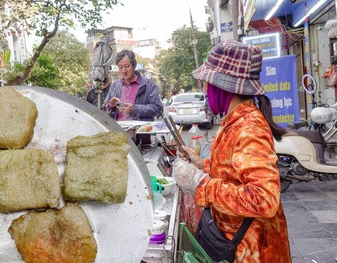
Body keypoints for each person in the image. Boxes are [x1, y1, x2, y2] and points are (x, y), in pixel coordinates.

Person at [173, 40, 291, 262]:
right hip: (235, 241)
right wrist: (201, 164)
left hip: (254, 250)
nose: (206, 90)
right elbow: (234, 170)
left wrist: (202, 185)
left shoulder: (249, 127)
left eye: (208, 84)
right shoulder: (234, 120)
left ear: (224, 86)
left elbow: (264, 199)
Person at [105, 49, 163, 121]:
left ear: (134, 65)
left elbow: (157, 107)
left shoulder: (149, 85)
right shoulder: (114, 86)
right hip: (120, 130)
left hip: (141, 130)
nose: (124, 71)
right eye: (120, 67)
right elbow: (105, 109)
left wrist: (135, 109)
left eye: (127, 66)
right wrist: (111, 106)